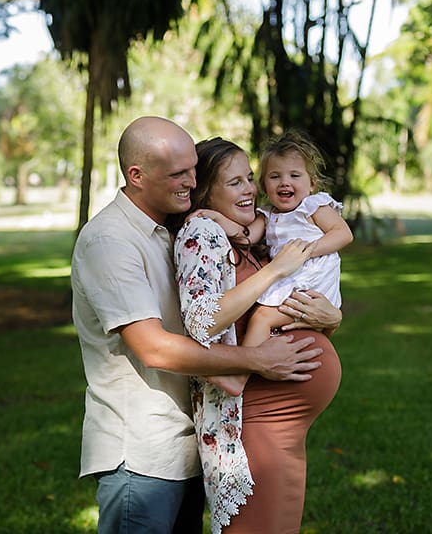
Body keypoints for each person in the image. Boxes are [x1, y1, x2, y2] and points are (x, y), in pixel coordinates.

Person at [71, 116, 340, 534]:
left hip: (191, 440)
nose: (191, 181)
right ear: (136, 175)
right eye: (179, 174)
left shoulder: (175, 227)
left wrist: (329, 317)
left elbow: (253, 306)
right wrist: (256, 360)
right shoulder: (111, 242)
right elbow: (154, 347)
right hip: (144, 449)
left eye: (194, 171)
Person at [174, 137, 343, 533]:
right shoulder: (202, 233)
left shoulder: (242, 231)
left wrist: (331, 317)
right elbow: (203, 321)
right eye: (235, 182)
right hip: (256, 419)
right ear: (206, 191)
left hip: (281, 422)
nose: (249, 189)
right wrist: (276, 269)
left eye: (249, 178)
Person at [191, 132, 353, 397]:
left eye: (295, 175)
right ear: (265, 185)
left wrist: (304, 252)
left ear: (312, 183)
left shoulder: (314, 207)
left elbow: (343, 234)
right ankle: (244, 371)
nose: (285, 182)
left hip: (313, 284)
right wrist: (215, 218)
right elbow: (245, 237)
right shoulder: (267, 216)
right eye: (275, 176)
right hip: (292, 281)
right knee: (263, 317)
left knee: (262, 317)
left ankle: (237, 378)